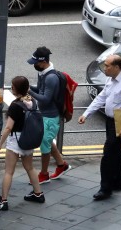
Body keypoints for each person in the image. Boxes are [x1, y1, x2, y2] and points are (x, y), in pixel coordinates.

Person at [0, 76, 45, 210]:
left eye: (13, 86)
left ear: (16, 89)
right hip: (28, 138)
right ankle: (38, 194)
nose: (11, 88)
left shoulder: (15, 106)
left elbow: (9, 128)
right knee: (30, 168)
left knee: (9, 172)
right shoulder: (32, 101)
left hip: (16, 140)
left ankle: (3, 201)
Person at [80, 53, 121, 200]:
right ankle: (118, 181)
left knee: (108, 153)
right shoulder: (110, 80)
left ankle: (105, 188)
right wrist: (86, 114)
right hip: (110, 120)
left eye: (107, 65)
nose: (104, 68)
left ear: (117, 67)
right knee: (116, 150)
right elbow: (101, 98)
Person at [27, 46, 71, 182]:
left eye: (36, 62)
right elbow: (41, 89)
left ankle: (44, 174)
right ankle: (61, 165)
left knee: (44, 146)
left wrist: (29, 92)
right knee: (46, 141)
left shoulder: (51, 78)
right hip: (45, 115)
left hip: (51, 117)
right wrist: (27, 87)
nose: (34, 65)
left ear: (43, 62)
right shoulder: (43, 73)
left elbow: (46, 98)